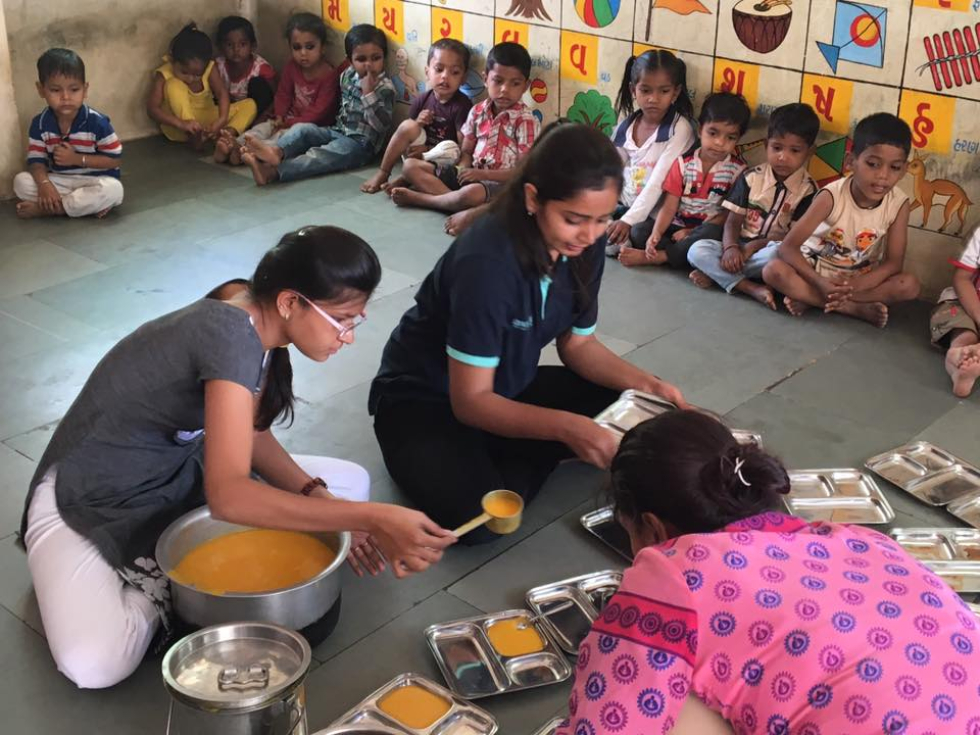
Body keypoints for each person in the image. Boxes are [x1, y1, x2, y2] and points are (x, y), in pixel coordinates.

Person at [20, 226, 455, 689]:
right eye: (342, 319)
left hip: (175, 472)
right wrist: (373, 517)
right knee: (96, 663)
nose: (347, 336)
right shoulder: (229, 335)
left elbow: (249, 434)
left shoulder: (254, 311)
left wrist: (328, 504)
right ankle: (166, 587)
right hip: (90, 492)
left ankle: (170, 570)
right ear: (290, 302)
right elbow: (228, 497)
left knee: (346, 482)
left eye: (356, 320)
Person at [557, 410, 980, 735]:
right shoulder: (856, 539)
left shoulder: (671, 573)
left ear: (651, 526)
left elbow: (607, 724)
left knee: (669, 704)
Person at [369, 123, 686, 540]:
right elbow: (471, 401)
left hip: (506, 385)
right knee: (483, 518)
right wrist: (566, 428)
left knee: (640, 410)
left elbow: (578, 345)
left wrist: (652, 386)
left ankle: (513, 442)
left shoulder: (584, 245)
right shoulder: (487, 263)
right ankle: (522, 448)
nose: (590, 235)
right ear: (533, 198)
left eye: (602, 219)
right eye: (574, 219)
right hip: (427, 397)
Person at [763, 113, 921, 328]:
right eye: (873, 164)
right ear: (851, 161)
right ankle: (852, 308)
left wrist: (854, 286)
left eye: (894, 167)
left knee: (909, 285)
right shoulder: (831, 196)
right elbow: (789, 248)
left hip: (859, 276)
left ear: (904, 170)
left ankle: (813, 300)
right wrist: (820, 282)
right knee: (774, 271)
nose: (883, 176)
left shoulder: (899, 203)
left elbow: (894, 262)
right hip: (816, 270)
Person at [387, 42, 539, 234]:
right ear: (485, 79)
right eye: (498, 81)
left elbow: (521, 172)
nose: (504, 90)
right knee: (410, 166)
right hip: (472, 175)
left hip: (498, 184)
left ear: (526, 86)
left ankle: (424, 199)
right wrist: (462, 168)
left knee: (471, 193)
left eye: (515, 83)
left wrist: (482, 175)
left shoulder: (525, 121)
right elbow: (467, 150)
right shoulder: (477, 111)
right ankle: (456, 203)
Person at [688, 103, 820, 310]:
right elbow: (733, 221)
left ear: (810, 152)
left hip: (767, 252)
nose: (783, 157)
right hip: (738, 250)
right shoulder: (751, 177)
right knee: (697, 250)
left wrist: (753, 247)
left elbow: (792, 238)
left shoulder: (809, 191)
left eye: (795, 150)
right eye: (777, 148)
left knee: (778, 256)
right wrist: (732, 248)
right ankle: (750, 287)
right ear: (766, 144)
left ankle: (719, 276)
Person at [242, 24, 395, 185]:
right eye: (361, 59)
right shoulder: (347, 75)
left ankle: (273, 172)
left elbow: (382, 126)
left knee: (320, 155)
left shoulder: (385, 88)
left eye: (375, 58)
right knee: (303, 129)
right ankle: (276, 151)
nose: (368, 65)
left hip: (361, 145)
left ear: (384, 57)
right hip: (338, 130)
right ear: (350, 61)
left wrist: (369, 94)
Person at [619, 92, 748, 268]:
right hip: (676, 227)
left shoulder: (739, 171)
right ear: (700, 130)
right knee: (639, 231)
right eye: (713, 133)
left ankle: (663, 257)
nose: (719, 142)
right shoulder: (683, 164)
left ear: (738, 139)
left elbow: (727, 215)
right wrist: (656, 233)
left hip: (703, 231)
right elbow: (670, 205)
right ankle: (680, 257)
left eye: (730, 137)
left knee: (712, 234)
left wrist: (691, 232)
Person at [217, 12, 343, 166]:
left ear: (322, 47)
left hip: (310, 126)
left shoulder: (328, 75)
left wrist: (288, 122)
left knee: (285, 136)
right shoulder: (292, 67)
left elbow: (318, 112)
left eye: (310, 47)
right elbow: (283, 94)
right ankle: (235, 145)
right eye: (297, 47)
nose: (303, 53)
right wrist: (279, 116)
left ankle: (253, 152)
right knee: (263, 128)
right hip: (287, 119)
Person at [605, 49, 697, 257]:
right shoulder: (625, 126)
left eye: (663, 91)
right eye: (645, 91)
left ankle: (622, 236)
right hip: (623, 206)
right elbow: (609, 171)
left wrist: (628, 221)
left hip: (655, 214)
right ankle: (614, 233)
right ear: (633, 90)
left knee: (638, 232)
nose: (653, 99)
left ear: (675, 92)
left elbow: (658, 181)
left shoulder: (679, 129)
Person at [13, 48, 123, 219]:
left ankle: (51, 209)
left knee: (113, 190)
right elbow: (36, 162)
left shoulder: (97, 122)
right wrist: (44, 185)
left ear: (85, 90)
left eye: (74, 89)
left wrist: (77, 159)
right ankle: (80, 205)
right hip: (60, 180)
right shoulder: (40, 124)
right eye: (55, 90)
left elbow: (114, 159)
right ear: (41, 90)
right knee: (21, 182)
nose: (65, 97)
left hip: (94, 180)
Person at [361, 38, 472, 194]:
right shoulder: (423, 99)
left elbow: (461, 149)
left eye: (454, 72)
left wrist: (428, 151)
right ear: (427, 72)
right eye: (439, 69)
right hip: (418, 156)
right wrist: (419, 123)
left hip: (443, 161)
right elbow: (407, 134)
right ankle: (383, 172)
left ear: (463, 78)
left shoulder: (462, 106)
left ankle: (410, 181)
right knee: (408, 126)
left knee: (413, 167)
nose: (445, 76)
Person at [146, 23, 257, 149]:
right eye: (184, 72)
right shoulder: (165, 73)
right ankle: (193, 134)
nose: (190, 79)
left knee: (250, 105)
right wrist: (181, 124)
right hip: (178, 127)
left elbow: (221, 93)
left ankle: (226, 135)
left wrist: (221, 119)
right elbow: (152, 109)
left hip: (205, 122)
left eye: (198, 75)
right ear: (172, 60)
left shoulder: (210, 68)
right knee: (174, 84)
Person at [211, 16, 276, 163]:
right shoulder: (218, 66)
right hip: (230, 113)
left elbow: (275, 96)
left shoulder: (261, 68)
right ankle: (226, 137)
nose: (236, 50)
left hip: (255, 114)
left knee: (259, 85)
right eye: (229, 44)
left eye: (242, 44)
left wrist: (260, 121)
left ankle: (235, 142)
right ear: (221, 46)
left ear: (252, 46)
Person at [930, 225, 980, 396]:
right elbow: (962, 279)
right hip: (967, 302)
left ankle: (975, 353)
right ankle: (958, 360)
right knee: (964, 333)